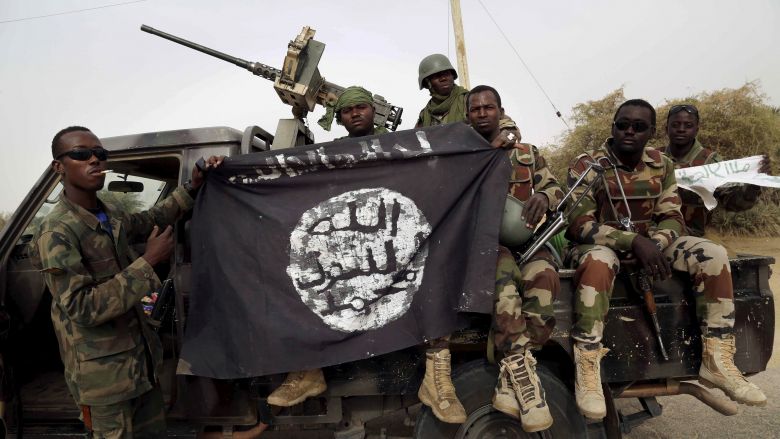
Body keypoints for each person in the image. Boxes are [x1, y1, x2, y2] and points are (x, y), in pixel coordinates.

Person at [268, 85, 468, 424]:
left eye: (361, 107)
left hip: (396, 240)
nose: (355, 114)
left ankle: (437, 376)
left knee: (432, 271)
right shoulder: (329, 153)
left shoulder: (401, 145)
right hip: (349, 246)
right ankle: (307, 369)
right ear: (340, 117)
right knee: (299, 277)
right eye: (348, 110)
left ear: (373, 111)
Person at [565, 100, 767, 421]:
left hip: (653, 244)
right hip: (601, 244)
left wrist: (655, 243)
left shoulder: (661, 164)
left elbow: (672, 216)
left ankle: (716, 359)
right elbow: (580, 224)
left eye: (639, 126)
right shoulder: (589, 164)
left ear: (651, 132)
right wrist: (634, 242)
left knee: (712, 253)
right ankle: (588, 367)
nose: (629, 131)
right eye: (623, 125)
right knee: (599, 261)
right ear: (612, 127)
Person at [33, 126, 223, 438]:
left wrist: (192, 186)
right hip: (104, 383)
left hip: (141, 367)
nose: (95, 159)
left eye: (100, 154)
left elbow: (153, 219)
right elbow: (82, 307)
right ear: (59, 167)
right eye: (82, 154)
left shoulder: (110, 213)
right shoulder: (57, 232)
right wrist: (148, 261)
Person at [467, 85, 564, 432]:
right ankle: (523, 377)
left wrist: (545, 198)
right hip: (487, 246)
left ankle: (514, 374)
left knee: (545, 279)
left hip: (529, 242)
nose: (482, 114)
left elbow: (554, 186)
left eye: (488, 107)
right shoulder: (462, 156)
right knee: (504, 286)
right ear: (468, 116)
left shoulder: (526, 152)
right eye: (475, 109)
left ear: (499, 109)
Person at [657, 103, 771, 237]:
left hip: (693, 238)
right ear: (666, 128)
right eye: (675, 125)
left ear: (697, 129)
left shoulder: (710, 163)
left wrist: (753, 186)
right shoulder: (654, 158)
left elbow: (731, 202)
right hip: (653, 235)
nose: (681, 129)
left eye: (688, 125)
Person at [415, 54, 520, 147]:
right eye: (437, 76)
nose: (443, 79)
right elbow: (414, 141)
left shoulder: (470, 101)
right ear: (427, 83)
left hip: (474, 157)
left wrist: (508, 137)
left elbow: (509, 128)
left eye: (446, 74)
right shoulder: (425, 114)